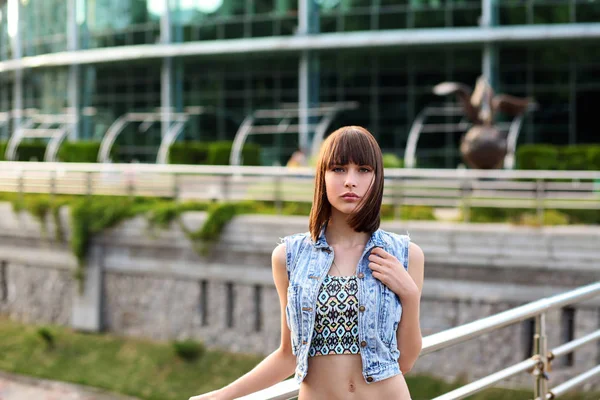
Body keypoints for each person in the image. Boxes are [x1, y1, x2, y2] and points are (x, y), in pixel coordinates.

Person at [189, 126, 425, 400]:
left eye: (363, 169)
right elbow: (288, 356)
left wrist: (409, 295)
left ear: (377, 177)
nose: (350, 181)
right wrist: (222, 395)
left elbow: (405, 361)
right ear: (321, 177)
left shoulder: (405, 254)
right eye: (338, 169)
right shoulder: (289, 256)